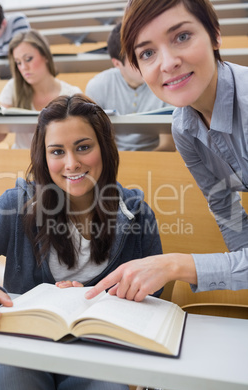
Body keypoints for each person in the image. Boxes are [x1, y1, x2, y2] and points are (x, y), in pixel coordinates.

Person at [0, 93, 163, 390]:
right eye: (57, 151)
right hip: (19, 344)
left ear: (104, 147)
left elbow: (153, 292)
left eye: (83, 147)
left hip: (95, 350)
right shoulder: (17, 205)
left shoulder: (137, 212)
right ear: (43, 156)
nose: (71, 163)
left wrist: (99, 299)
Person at [85, 0, 248, 302]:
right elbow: (226, 209)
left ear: (214, 34)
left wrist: (179, 265)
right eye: (147, 53)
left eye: (182, 36)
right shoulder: (183, 126)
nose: (168, 62)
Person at [85, 22, 176, 152]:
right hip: (114, 157)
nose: (146, 64)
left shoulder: (166, 82)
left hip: (155, 158)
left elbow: (168, 145)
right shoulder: (98, 86)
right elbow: (95, 140)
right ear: (117, 63)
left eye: (147, 54)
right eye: (134, 59)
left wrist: (139, 165)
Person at [0, 29, 81, 148]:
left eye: (28, 59)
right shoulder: (13, 87)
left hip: (56, 161)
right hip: (22, 159)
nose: (24, 67)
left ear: (45, 56)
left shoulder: (72, 94)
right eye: (18, 62)